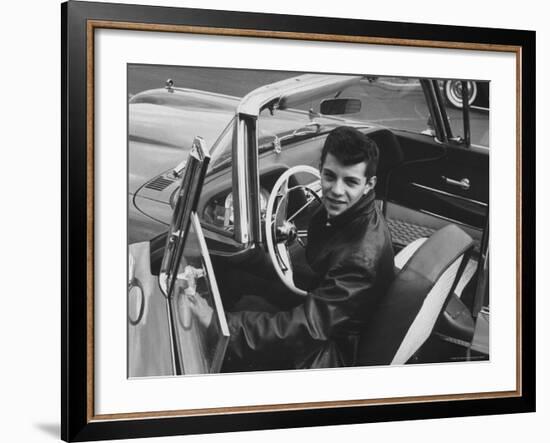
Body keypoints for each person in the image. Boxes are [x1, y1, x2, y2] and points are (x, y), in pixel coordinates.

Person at [184, 126, 395, 370]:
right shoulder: (347, 213)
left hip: (327, 354)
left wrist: (218, 324)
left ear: (369, 184)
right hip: (327, 317)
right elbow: (318, 281)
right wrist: (253, 259)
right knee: (239, 277)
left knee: (226, 337)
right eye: (329, 176)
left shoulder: (360, 259)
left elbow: (307, 327)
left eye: (350, 182)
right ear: (320, 169)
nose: (336, 191)